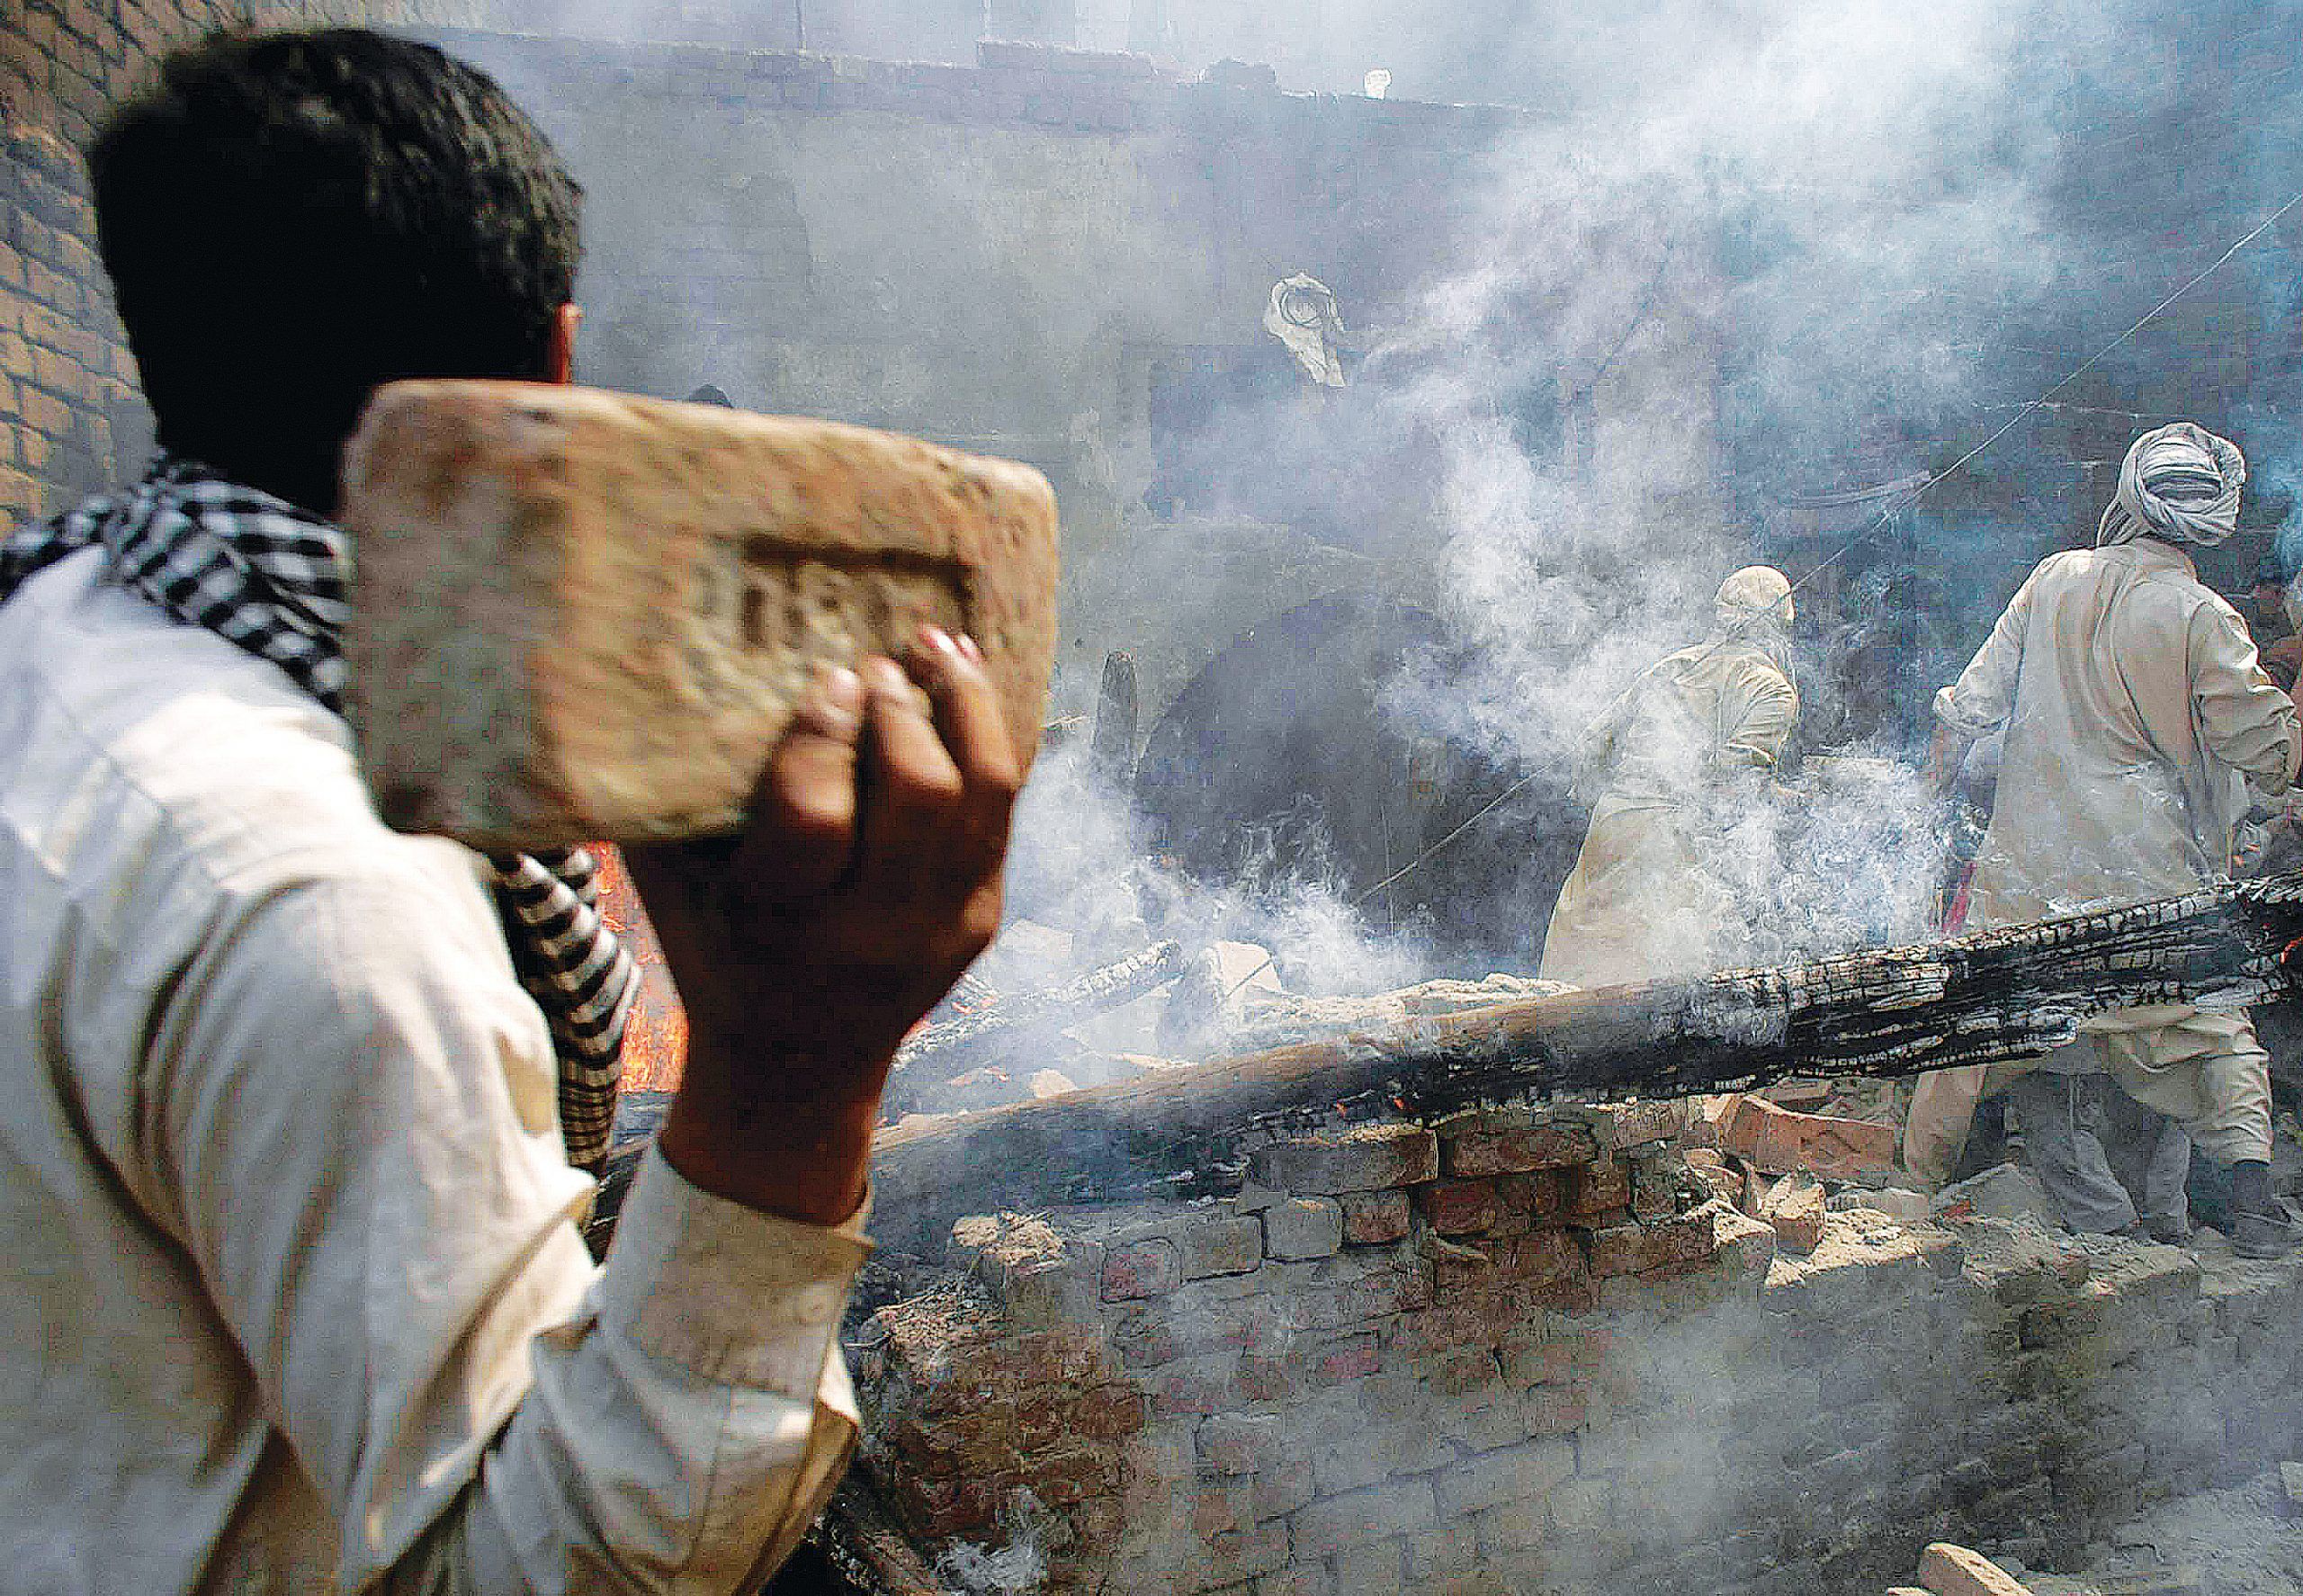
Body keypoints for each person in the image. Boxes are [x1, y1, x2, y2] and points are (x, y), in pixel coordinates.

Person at [0, 30, 1020, 1593]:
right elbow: (543, 1569)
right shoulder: (333, 897)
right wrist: (795, 1079)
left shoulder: (59, 638)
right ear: (553, 367)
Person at [1904, 423, 2301, 1257]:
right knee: (2210, 1031)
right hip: (2145, 881)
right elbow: (2266, 749)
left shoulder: (2054, 578)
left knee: (1968, 1038)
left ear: (2128, 492)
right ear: (2216, 520)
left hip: (2027, 876)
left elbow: (1967, 710)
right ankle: (2257, 1211)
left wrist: (1910, 812)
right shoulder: (2202, 616)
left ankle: (1903, 1201)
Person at [1540, 565, 1799, 987]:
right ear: (1778, 625)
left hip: (1611, 822)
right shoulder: (1770, 688)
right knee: (1650, 986)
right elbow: (1738, 783)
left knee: (1578, 963)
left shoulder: (1673, 665)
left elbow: (1594, 744)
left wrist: (1609, 792)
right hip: (1669, 840)